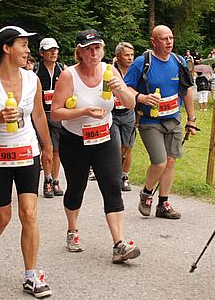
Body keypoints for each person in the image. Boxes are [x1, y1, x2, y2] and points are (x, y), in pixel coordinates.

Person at [0, 25, 53, 298]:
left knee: (28, 213)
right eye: (23, 45)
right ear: (6, 48)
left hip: (27, 153)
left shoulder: (32, 79)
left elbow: (38, 114)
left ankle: (31, 275)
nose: (27, 50)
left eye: (28, 45)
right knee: (2, 218)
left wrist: (48, 146)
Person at [50, 29, 140, 263]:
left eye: (97, 48)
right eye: (88, 49)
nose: (94, 53)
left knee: (112, 186)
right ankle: (72, 230)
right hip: (75, 141)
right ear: (79, 52)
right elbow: (55, 113)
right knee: (76, 188)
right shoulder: (69, 75)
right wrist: (84, 111)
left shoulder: (110, 72)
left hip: (105, 138)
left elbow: (130, 104)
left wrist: (120, 88)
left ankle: (119, 244)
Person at [124, 24, 197, 220]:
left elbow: (187, 90)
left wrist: (191, 119)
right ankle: (147, 193)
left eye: (171, 38)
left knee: (171, 161)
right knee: (159, 161)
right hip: (150, 121)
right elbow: (126, 87)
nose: (169, 42)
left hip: (173, 119)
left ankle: (163, 203)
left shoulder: (179, 61)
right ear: (153, 42)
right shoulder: (143, 62)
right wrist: (141, 97)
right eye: (164, 39)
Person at [35, 37, 65, 198]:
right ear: (42, 53)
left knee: (57, 150)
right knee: (47, 148)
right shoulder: (34, 71)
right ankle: (47, 180)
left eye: (55, 49)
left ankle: (55, 180)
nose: (53, 52)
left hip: (58, 114)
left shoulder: (62, 69)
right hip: (41, 114)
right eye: (49, 50)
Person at [112, 42, 137, 191]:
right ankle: (114, 175)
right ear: (118, 57)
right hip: (113, 114)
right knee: (116, 146)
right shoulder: (110, 71)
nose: (130, 58)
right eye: (126, 55)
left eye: (132, 55)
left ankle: (125, 176)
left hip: (129, 113)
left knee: (127, 147)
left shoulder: (135, 71)